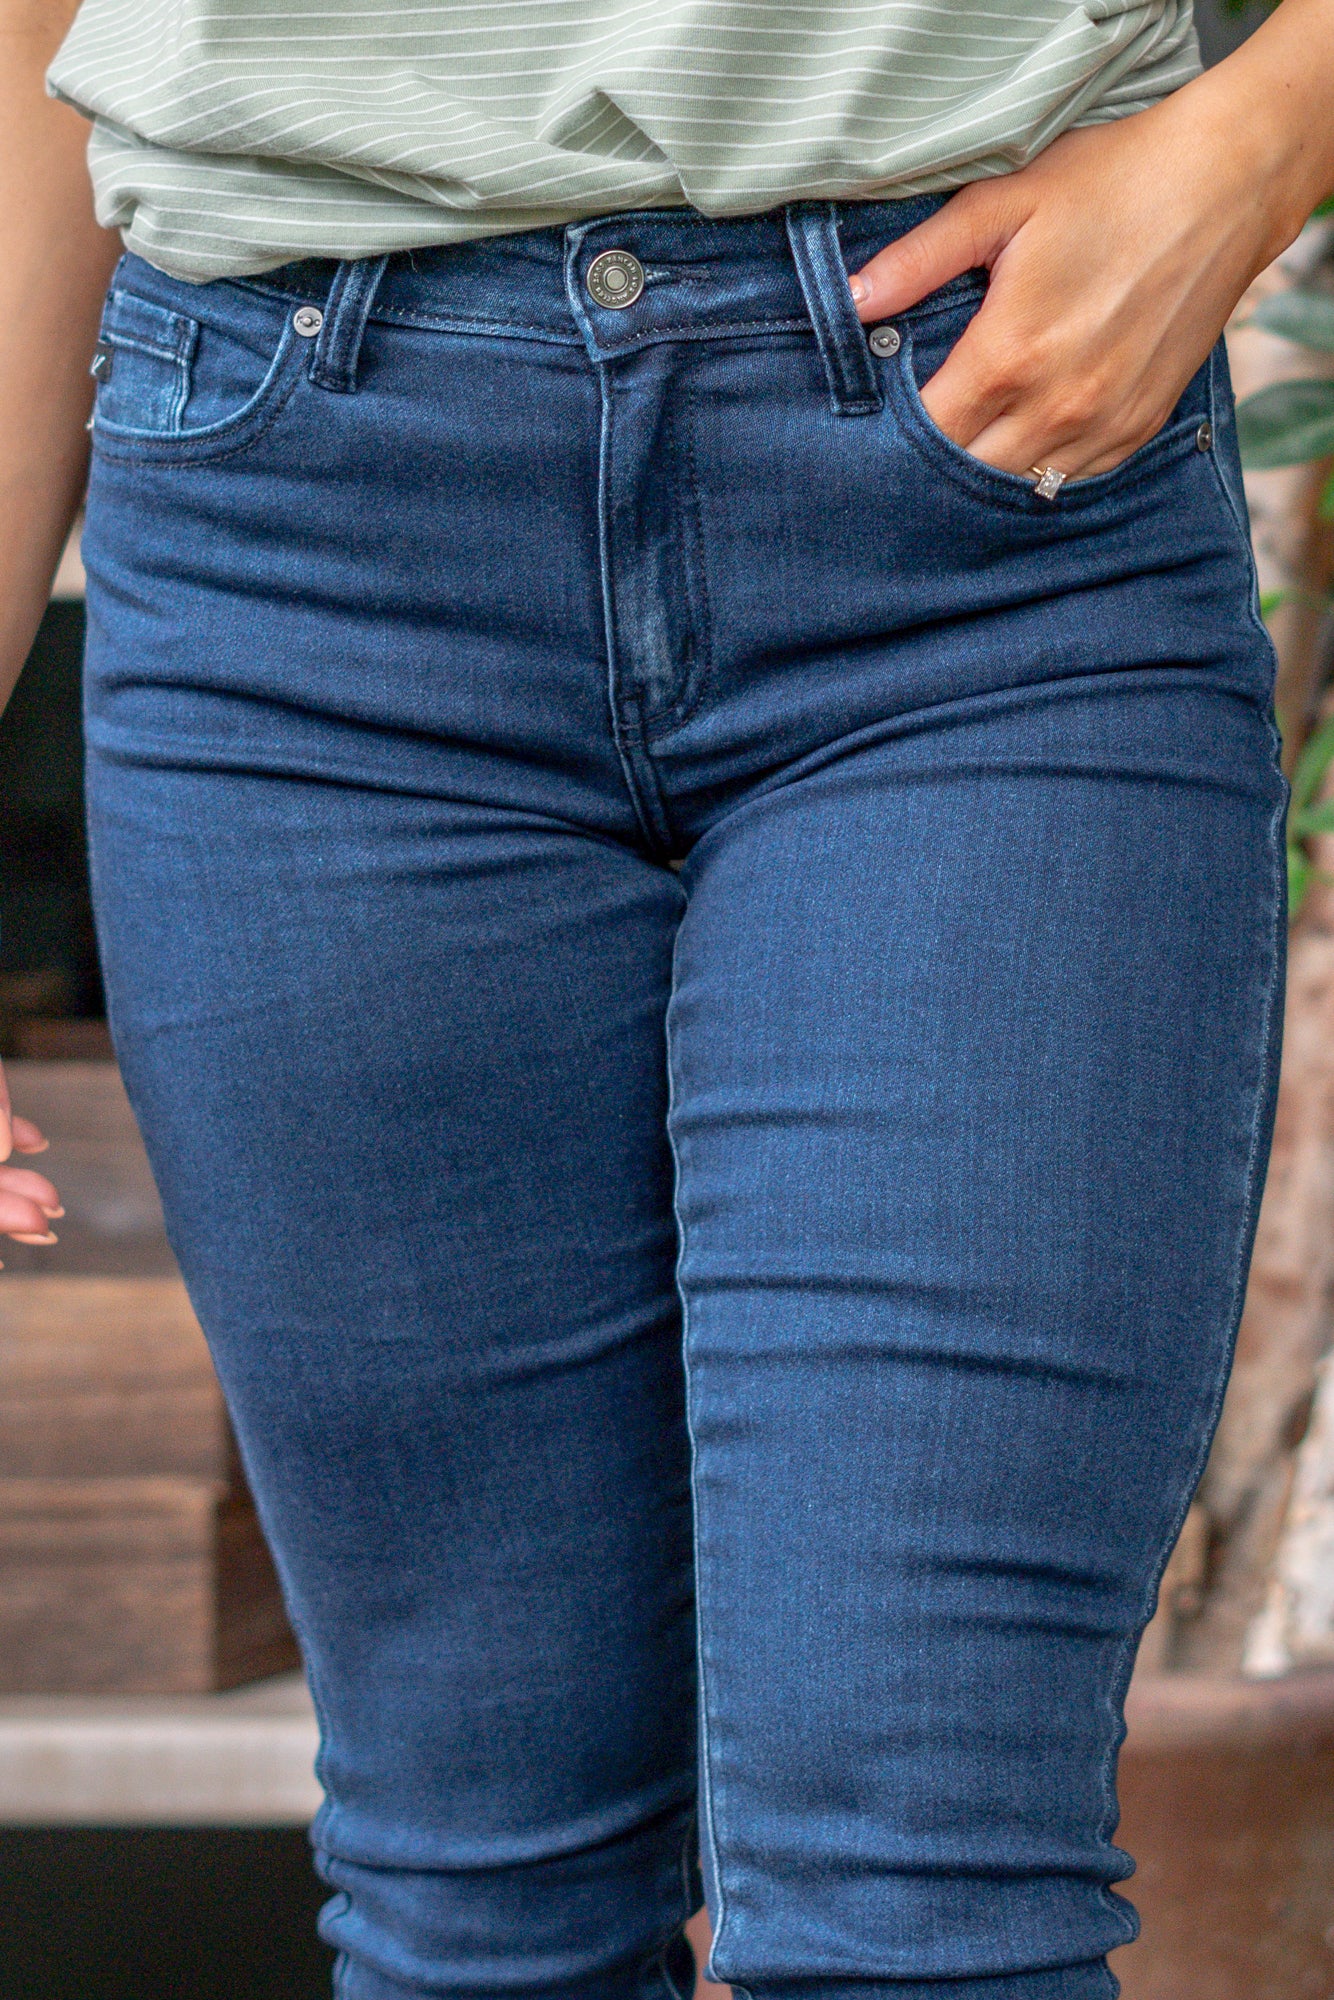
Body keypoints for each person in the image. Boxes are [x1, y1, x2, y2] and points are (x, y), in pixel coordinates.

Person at [3, 2, 1332, 1994]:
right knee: (483, 1908)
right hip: (300, 542)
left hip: (988, 478)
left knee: (920, 1903)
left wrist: (1259, 142)